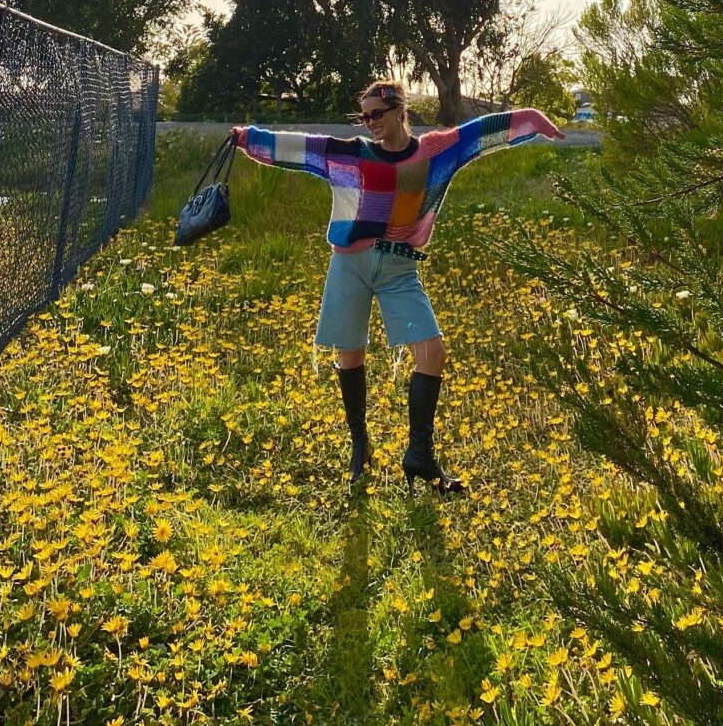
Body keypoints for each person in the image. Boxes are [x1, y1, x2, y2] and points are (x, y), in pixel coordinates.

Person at [231, 81, 564, 495]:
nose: (370, 123)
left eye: (377, 114)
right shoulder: (351, 153)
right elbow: (300, 147)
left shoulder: (434, 151)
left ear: (399, 111)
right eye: (365, 116)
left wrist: (531, 119)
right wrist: (249, 139)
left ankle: (419, 453)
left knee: (433, 353)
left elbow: (480, 134)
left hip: (400, 268)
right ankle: (360, 446)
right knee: (349, 353)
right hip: (349, 264)